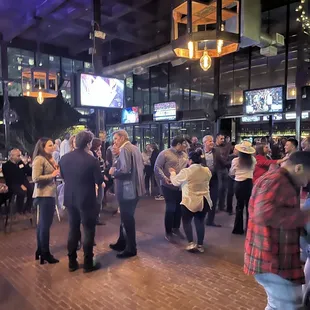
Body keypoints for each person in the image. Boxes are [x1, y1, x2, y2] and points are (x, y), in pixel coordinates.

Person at [244, 151, 310, 309]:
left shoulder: (279, 179)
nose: (307, 182)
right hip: (271, 258)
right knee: (287, 306)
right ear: (299, 168)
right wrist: (304, 215)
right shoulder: (277, 180)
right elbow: (263, 213)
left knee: (281, 305)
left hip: (272, 257)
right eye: (308, 176)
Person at [59, 131, 105, 273]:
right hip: (86, 199)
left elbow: (63, 176)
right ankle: (87, 263)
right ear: (88, 143)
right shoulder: (91, 160)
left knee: (73, 229)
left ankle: (72, 262)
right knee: (88, 230)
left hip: (70, 198)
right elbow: (99, 180)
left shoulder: (64, 159)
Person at [109, 130, 145, 258]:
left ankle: (131, 248)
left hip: (127, 190)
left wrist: (113, 172)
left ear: (123, 138)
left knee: (127, 218)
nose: (115, 142)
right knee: (125, 217)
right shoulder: (135, 148)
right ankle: (122, 242)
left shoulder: (125, 149)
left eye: (116, 139)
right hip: (135, 189)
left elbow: (124, 170)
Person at [169, 149, 212, 253]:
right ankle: (200, 245)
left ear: (191, 160)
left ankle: (191, 243)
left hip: (189, 201)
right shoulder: (206, 170)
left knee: (187, 221)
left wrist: (173, 173)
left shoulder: (187, 171)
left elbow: (175, 182)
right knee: (200, 222)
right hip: (204, 200)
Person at [154, 136, 188, 242]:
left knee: (179, 209)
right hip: (168, 186)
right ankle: (168, 232)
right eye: (184, 144)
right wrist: (164, 178)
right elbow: (157, 167)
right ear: (178, 144)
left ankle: (176, 228)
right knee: (170, 208)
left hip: (181, 186)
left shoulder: (185, 155)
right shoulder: (165, 153)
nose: (185, 146)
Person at [32, 138, 60, 265]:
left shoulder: (49, 158)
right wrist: (52, 175)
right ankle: (45, 252)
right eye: (50, 145)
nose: (53, 146)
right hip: (44, 195)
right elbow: (36, 178)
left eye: (53, 144)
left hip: (49, 194)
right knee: (44, 225)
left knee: (43, 225)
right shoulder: (39, 159)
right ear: (43, 147)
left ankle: (40, 250)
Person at [230, 141, 256, 235]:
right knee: (249, 206)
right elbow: (253, 170)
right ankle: (249, 228)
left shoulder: (235, 160)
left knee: (239, 206)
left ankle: (238, 229)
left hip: (238, 184)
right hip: (249, 183)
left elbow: (232, 172)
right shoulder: (253, 160)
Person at [2, 149, 33, 214]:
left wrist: (27, 164)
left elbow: (28, 172)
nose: (20, 157)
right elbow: (11, 178)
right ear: (12, 156)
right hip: (13, 183)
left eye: (20, 155)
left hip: (23, 181)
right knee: (21, 192)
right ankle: (19, 211)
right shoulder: (6, 166)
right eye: (18, 156)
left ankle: (27, 209)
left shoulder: (20, 163)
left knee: (32, 191)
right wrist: (21, 185)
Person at [201, 135, 221, 227]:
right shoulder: (199, 152)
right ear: (204, 143)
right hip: (202, 180)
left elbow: (222, 162)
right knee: (203, 199)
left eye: (212, 141)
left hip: (214, 179)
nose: (212, 142)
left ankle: (210, 220)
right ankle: (200, 218)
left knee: (213, 199)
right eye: (210, 141)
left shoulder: (216, 151)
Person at [214, 133, 230, 211]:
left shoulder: (225, 147)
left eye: (223, 138)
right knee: (218, 188)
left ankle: (222, 206)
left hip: (224, 169)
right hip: (218, 169)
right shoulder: (214, 148)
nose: (223, 140)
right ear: (217, 138)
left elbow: (226, 157)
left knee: (224, 188)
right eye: (221, 139)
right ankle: (215, 206)